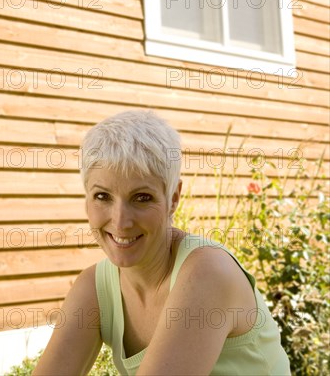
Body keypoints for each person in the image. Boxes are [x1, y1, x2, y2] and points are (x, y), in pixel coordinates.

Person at [32, 110, 291, 375]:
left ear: (174, 198)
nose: (121, 222)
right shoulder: (94, 288)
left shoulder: (208, 272)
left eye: (142, 197)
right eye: (102, 196)